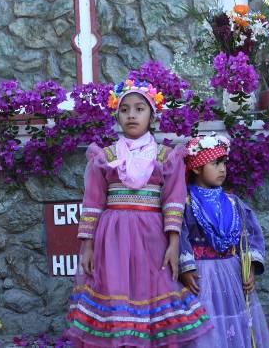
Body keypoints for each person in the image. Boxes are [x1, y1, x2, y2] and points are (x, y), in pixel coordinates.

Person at [65, 79, 212, 347]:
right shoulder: (105, 156)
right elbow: (93, 202)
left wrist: (174, 244)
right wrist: (86, 245)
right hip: (112, 240)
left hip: (152, 240)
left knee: (155, 293)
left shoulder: (167, 157)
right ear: (117, 115)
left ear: (152, 115)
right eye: (125, 110)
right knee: (114, 293)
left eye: (139, 109)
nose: (131, 115)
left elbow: (174, 201)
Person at [179, 133, 269, 348]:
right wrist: (185, 268)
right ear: (196, 167)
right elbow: (179, 234)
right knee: (206, 324)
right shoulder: (185, 202)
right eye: (215, 163)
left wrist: (249, 267)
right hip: (200, 276)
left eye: (224, 163)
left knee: (233, 326)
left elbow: (250, 235)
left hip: (231, 274)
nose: (223, 169)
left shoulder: (233, 202)